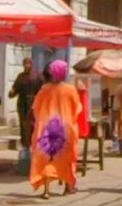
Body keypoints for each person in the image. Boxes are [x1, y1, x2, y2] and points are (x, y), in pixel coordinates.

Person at [27, 58, 86, 198]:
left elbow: (36, 108)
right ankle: (67, 187)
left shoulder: (45, 89)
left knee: (47, 158)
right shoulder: (71, 90)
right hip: (65, 129)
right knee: (67, 158)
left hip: (46, 128)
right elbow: (77, 109)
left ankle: (46, 191)